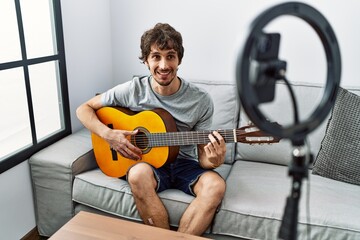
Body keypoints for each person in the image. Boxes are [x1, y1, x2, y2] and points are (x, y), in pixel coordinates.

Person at [76, 23, 226, 236]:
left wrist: (214, 160)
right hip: (146, 163)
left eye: (170, 56)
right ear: (146, 60)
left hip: (185, 163)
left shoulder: (200, 100)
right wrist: (109, 135)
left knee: (216, 186)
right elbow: (83, 109)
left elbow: (203, 157)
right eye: (156, 56)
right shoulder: (133, 89)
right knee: (137, 174)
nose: (164, 65)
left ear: (179, 60)